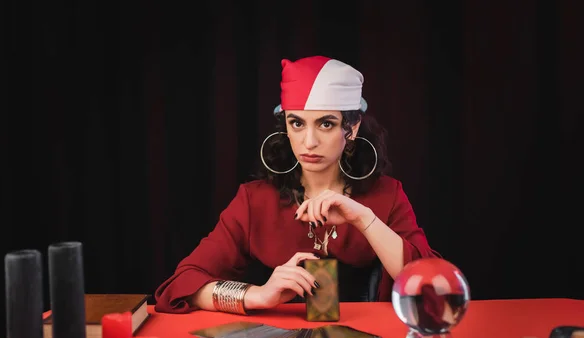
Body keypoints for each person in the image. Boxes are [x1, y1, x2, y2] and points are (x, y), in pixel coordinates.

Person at [154, 55, 441, 315]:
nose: (309, 142)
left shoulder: (387, 195)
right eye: (297, 123)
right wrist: (255, 295)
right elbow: (182, 285)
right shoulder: (254, 201)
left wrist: (363, 219)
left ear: (351, 128)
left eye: (326, 124)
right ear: (286, 127)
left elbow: (430, 286)